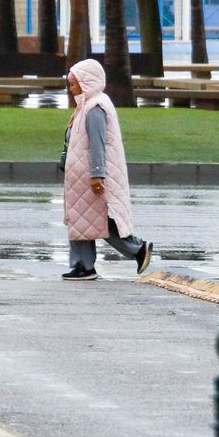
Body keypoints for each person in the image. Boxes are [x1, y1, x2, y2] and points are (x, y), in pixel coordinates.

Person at [58, 58, 153, 280]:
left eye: (74, 83)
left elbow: (98, 143)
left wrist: (97, 173)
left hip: (90, 176)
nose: (71, 88)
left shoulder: (95, 108)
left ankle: (136, 249)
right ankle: (83, 265)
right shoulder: (86, 106)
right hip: (81, 177)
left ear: (86, 82)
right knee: (82, 220)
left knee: (96, 220)